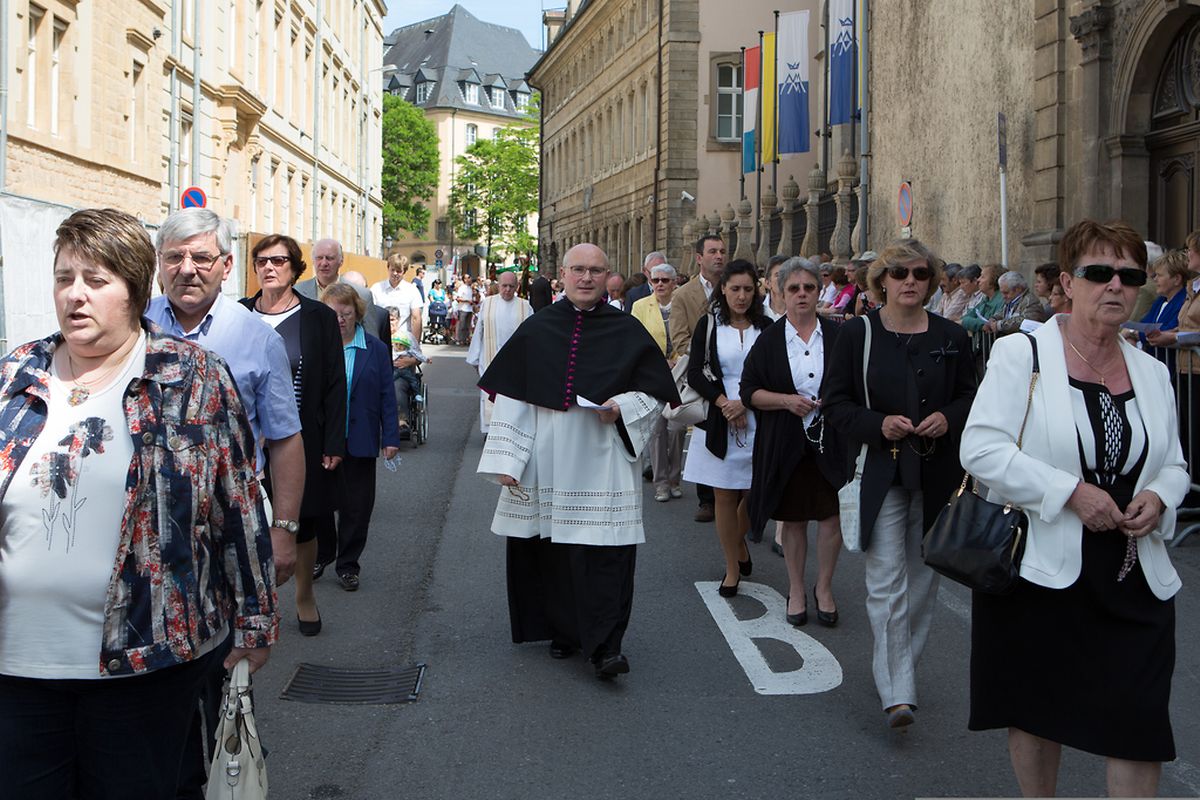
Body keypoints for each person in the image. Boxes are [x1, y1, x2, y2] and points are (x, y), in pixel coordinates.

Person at [0, 208, 277, 797]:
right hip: (17, 666)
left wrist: (256, 616)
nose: (75, 296)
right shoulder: (15, 374)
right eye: (64, 278)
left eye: (95, 281)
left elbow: (238, 505)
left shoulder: (193, 377)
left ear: (133, 290)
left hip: (145, 662)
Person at [960, 220, 1187, 798]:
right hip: (1039, 567)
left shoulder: (1153, 373)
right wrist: (1070, 493)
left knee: (1139, 725)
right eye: (1099, 273)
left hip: (1133, 571)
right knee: (1038, 712)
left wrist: (1160, 497)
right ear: (1068, 281)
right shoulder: (1022, 353)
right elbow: (981, 448)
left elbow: (1176, 465)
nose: (1115, 285)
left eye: (1129, 275)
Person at [146, 209, 303, 799]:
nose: (188, 270)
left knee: (225, 660)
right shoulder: (135, 325)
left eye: (202, 258)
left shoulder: (254, 337)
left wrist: (282, 528)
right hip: (148, 533)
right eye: (175, 258)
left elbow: (285, 438)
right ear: (160, 264)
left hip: (226, 531)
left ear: (226, 265)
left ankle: (227, 765)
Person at [476, 243, 679, 680]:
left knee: (606, 552)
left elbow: (654, 394)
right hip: (548, 455)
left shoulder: (626, 330)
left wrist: (621, 406)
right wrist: (508, 459)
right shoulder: (538, 329)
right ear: (562, 275)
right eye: (578, 270)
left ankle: (606, 647)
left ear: (608, 277)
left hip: (604, 457)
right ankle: (564, 632)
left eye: (595, 271)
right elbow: (514, 395)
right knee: (553, 551)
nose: (586, 278)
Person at [823, 239, 977, 729]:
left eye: (919, 273)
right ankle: (898, 690)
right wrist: (878, 423)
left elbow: (973, 399)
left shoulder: (953, 334)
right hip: (882, 471)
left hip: (937, 475)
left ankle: (895, 671)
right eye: (898, 273)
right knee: (886, 579)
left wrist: (946, 418)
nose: (909, 281)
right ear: (881, 281)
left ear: (931, 281)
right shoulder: (858, 335)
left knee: (923, 582)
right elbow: (835, 404)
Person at [242, 235, 347, 626]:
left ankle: (304, 594)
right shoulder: (239, 314)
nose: (269, 268)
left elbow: (336, 382)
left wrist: (336, 440)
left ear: (295, 268)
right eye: (262, 261)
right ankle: (254, 601)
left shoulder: (317, 317)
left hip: (303, 437)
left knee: (300, 519)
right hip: (248, 440)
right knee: (249, 520)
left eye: (279, 261)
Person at [741, 257, 846, 625]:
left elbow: (854, 387)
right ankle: (798, 588)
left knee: (832, 517)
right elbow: (749, 391)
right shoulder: (769, 340)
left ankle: (825, 587)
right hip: (786, 441)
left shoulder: (838, 336)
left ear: (819, 291)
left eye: (809, 288)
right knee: (796, 520)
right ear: (780, 293)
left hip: (832, 440)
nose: (802, 294)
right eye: (793, 288)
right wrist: (787, 401)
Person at [681, 260, 771, 597]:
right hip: (720, 417)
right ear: (723, 290)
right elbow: (695, 372)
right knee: (724, 493)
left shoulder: (768, 326)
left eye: (748, 289)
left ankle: (737, 544)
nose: (742, 296)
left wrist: (745, 403)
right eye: (735, 289)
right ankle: (732, 566)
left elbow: (776, 372)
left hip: (759, 414)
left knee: (756, 488)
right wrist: (724, 404)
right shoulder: (710, 325)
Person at [320, 284, 403, 588]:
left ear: (357, 314)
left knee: (357, 506)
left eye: (346, 312)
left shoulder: (375, 349)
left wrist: (391, 437)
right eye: (333, 313)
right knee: (321, 504)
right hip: (323, 440)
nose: (340, 319)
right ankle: (323, 554)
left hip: (361, 437)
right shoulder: (316, 346)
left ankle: (348, 564)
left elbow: (386, 396)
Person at [669, 234, 728, 523]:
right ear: (699, 257)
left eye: (722, 251)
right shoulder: (683, 294)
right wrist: (706, 358)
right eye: (713, 251)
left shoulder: (735, 288)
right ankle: (707, 498)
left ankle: (735, 492)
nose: (719, 256)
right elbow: (679, 338)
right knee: (705, 432)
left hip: (732, 372)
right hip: (701, 373)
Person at [631, 262, 685, 501]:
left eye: (665, 280)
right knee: (657, 430)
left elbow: (691, 334)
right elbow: (634, 338)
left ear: (674, 282)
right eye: (656, 280)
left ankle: (675, 478)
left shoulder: (682, 303)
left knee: (677, 428)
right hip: (653, 373)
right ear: (650, 282)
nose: (660, 284)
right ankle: (661, 482)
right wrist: (658, 361)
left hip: (680, 371)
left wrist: (680, 359)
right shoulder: (640, 306)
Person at [466, 270, 533, 432]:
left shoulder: (525, 306)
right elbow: (479, 332)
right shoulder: (488, 304)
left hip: (517, 361)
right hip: (490, 357)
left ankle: (511, 429)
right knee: (489, 396)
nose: (508, 290)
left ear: (517, 287)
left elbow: (533, 335)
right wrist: (474, 358)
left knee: (513, 398)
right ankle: (489, 430)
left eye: (511, 286)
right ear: (498, 285)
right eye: (504, 286)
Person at [295, 238, 389, 342]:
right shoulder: (298, 292)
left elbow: (371, 341)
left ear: (341, 261)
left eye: (330, 258)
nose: (324, 263)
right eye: (319, 258)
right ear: (313, 260)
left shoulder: (362, 295)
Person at [370, 253, 423, 348]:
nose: (395, 273)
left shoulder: (412, 291)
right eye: (392, 270)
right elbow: (370, 315)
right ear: (388, 268)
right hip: (380, 342)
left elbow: (416, 318)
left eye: (398, 271)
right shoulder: (376, 289)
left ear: (404, 271)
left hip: (403, 343)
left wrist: (415, 347)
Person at [985, 270, 1047, 335]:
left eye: (1006, 293)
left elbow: (1024, 321)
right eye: (1002, 293)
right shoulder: (1011, 300)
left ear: (1018, 289)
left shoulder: (1030, 301)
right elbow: (1003, 313)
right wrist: (993, 319)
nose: (1003, 296)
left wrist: (1000, 325)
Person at [762, 254, 789, 321]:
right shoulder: (758, 310)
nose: (783, 278)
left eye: (787, 274)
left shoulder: (800, 310)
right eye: (778, 275)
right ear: (767, 283)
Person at [454, 275, 476, 345]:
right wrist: (467, 301)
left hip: (469, 309)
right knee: (462, 325)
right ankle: (461, 340)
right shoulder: (462, 288)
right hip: (463, 309)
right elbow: (458, 298)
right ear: (465, 279)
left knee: (467, 326)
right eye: (468, 278)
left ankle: (466, 339)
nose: (470, 279)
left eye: (470, 277)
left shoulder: (470, 288)